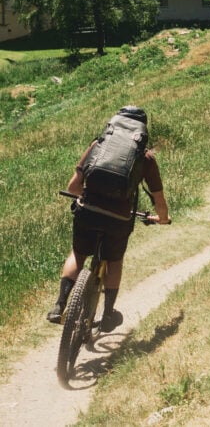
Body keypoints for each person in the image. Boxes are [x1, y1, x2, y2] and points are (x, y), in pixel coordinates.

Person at [47, 106, 171, 331]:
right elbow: (159, 200)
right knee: (114, 261)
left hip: (87, 212)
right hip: (119, 219)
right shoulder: (145, 158)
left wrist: (90, 197)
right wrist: (162, 218)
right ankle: (107, 315)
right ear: (142, 131)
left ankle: (59, 305)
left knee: (78, 253)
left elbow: (73, 186)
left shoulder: (98, 145)